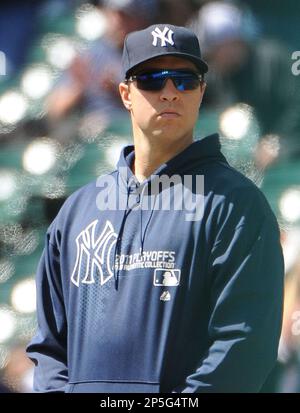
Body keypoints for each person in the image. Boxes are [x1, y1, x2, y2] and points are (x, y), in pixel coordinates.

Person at [26, 24, 284, 393]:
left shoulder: (236, 205)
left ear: (201, 92)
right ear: (126, 93)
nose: (169, 93)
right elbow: (50, 348)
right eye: (151, 79)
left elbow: (243, 347)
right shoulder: (77, 210)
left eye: (184, 80)